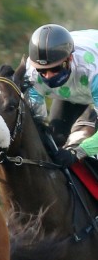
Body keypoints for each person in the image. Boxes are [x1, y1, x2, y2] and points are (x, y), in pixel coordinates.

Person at [24, 23, 98, 167]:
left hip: (90, 79)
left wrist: (78, 152)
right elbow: (38, 124)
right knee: (55, 140)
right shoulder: (32, 75)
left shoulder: (92, 71)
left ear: (69, 59)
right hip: (75, 89)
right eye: (42, 71)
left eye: (55, 69)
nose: (48, 76)